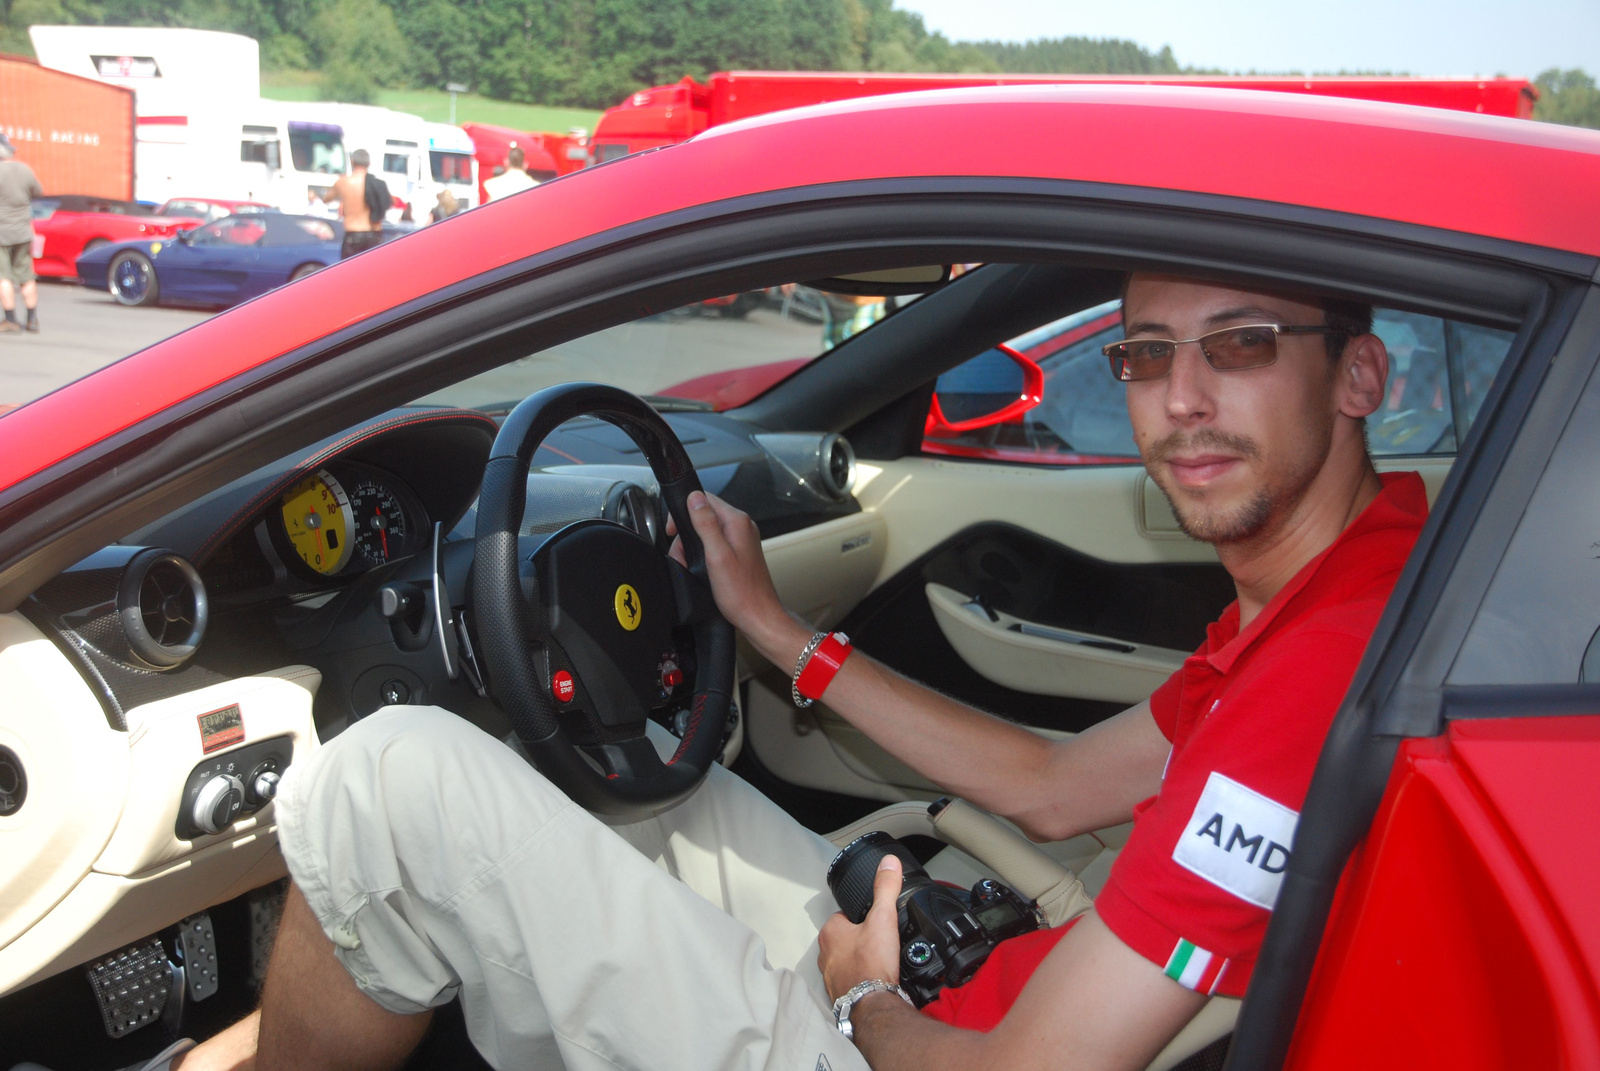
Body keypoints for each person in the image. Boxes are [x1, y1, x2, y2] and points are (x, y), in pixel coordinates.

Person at [100, 272, 1422, 1071]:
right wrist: (776, 627)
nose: (1181, 399)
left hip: (915, 1047)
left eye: (1240, 345)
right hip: (964, 1003)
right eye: (1145, 353)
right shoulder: (1351, 589)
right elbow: (1060, 782)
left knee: (388, 779)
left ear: (1360, 371)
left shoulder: (1318, 678)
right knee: (637, 795)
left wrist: (859, 992)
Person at [0, 134, 43, 334]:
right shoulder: (25, 170)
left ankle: (10, 320)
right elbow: (38, 192)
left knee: (3, 277)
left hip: (2, 234)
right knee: (26, 277)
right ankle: (32, 319)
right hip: (23, 232)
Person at [322, 148, 388, 259]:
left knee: (350, 273)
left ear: (352, 162)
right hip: (374, 233)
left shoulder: (344, 182)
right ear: (369, 164)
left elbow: (326, 199)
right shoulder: (377, 184)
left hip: (353, 233)